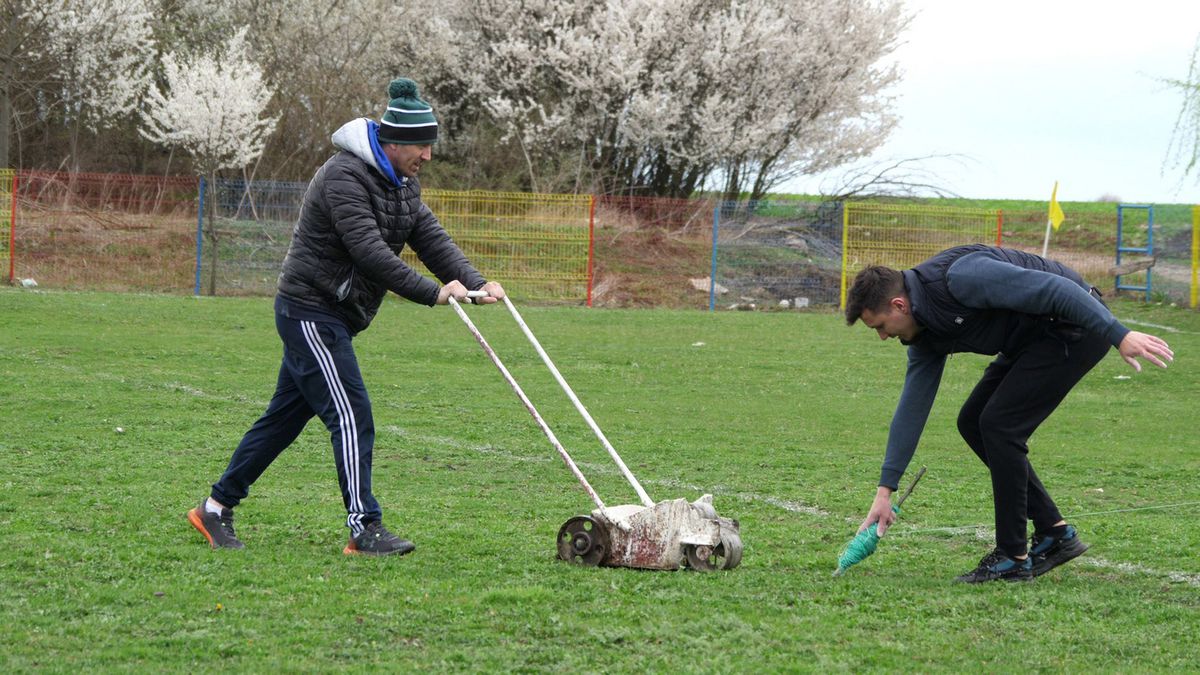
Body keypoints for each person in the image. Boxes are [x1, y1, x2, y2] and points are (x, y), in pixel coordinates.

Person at [187, 77, 504, 556]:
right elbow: (370, 253)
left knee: (282, 420)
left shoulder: (401, 183)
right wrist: (435, 295)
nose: (428, 157)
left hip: (336, 315)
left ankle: (214, 509)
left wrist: (476, 282)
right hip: (310, 311)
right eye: (421, 147)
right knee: (352, 415)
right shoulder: (343, 177)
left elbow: (431, 239)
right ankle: (365, 527)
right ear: (393, 142)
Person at [845, 244, 1173, 582]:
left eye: (880, 326)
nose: (884, 337)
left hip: (1075, 324)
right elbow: (912, 407)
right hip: (1031, 339)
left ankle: (1013, 557)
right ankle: (1054, 535)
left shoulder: (960, 279)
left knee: (1000, 425)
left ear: (899, 305)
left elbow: (1059, 290)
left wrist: (1119, 335)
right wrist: (885, 491)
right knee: (973, 422)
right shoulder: (924, 335)